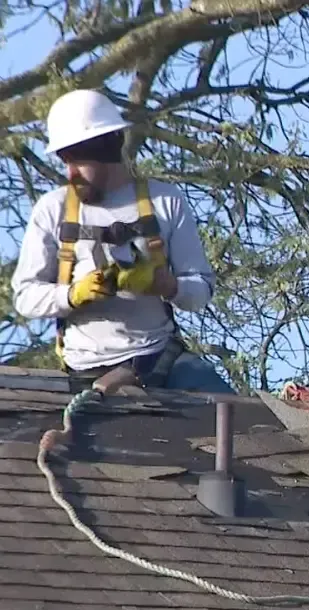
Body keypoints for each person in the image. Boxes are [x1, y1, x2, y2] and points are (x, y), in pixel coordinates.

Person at [11, 89, 233, 394]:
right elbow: (25, 296)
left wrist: (167, 285)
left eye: (77, 160)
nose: (70, 171)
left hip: (159, 361)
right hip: (82, 373)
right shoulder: (53, 209)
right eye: (64, 160)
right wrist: (73, 294)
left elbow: (201, 290)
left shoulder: (164, 201)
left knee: (237, 420)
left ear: (106, 149)